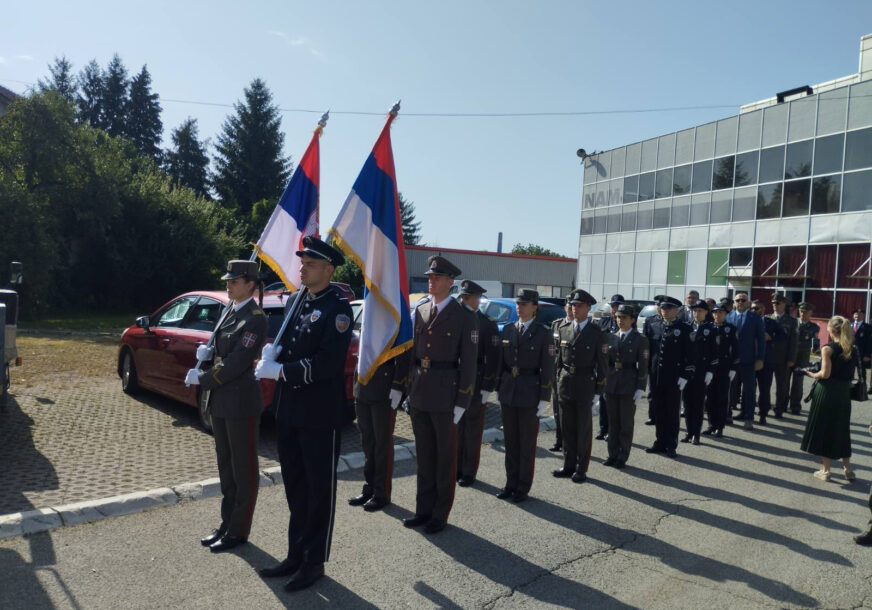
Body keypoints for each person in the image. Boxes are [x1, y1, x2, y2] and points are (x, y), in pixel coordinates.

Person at [254, 236, 353, 591]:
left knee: (318, 490)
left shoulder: (338, 309)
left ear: (328, 269)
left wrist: (281, 372)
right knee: (295, 486)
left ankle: (314, 561)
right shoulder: (296, 299)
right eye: (302, 262)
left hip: (319, 414)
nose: (302, 266)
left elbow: (327, 364)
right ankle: (295, 553)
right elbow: (287, 343)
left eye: (310, 263)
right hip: (289, 410)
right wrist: (271, 354)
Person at [185, 260, 267, 553]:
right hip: (221, 400)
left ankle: (238, 530)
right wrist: (206, 355)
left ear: (250, 284)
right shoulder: (229, 310)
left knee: (243, 470)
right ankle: (226, 522)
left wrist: (204, 378)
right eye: (228, 280)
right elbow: (223, 353)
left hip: (240, 401)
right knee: (226, 465)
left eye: (234, 281)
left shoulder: (255, 318)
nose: (228, 285)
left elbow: (237, 362)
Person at [393, 255, 477, 534]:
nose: (431, 280)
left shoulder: (464, 316)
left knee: (444, 459)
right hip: (420, 393)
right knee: (425, 456)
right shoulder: (421, 309)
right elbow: (412, 355)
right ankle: (423, 510)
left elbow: (469, 363)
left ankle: (440, 514)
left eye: (437, 277)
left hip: (446, 395)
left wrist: (462, 401)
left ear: (450, 282)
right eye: (429, 276)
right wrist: (403, 388)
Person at [494, 289, 553, 502]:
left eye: (525, 304)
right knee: (511, 442)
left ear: (535, 307)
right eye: (518, 303)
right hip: (509, 392)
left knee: (526, 443)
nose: (520, 307)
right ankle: (510, 483)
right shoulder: (509, 329)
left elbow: (547, 367)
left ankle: (522, 487)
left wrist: (545, 397)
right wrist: (498, 388)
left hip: (530, 392)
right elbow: (501, 363)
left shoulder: (543, 333)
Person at [553, 289, 607, 482]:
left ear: (588, 308)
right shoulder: (564, 328)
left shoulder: (596, 333)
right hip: (566, 383)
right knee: (566, 426)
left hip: (585, 384)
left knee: (582, 428)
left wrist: (598, 391)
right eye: (573, 305)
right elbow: (559, 359)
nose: (574, 309)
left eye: (579, 306)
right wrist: (558, 379)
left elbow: (602, 364)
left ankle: (581, 468)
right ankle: (568, 465)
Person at [799, 316, 857, 482]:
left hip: (827, 392)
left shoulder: (828, 348)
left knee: (826, 429)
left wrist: (810, 373)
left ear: (831, 330)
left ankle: (826, 470)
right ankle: (848, 469)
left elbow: (825, 374)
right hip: (843, 393)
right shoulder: (852, 348)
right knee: (842, 429)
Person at [456, 280, 499, 487]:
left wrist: (487, 386)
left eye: (469, 297)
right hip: (454, 381)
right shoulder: (453, 318)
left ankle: (468, 471)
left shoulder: (486, 323)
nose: (465, 300)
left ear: (477, 299)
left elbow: (494, 357)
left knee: (472, 431)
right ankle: (455, 467)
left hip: (476, 380)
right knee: (456, 428)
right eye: (464, 296)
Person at [348, 353, 400, 512]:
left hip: (384, 386)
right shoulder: (366, 325)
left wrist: (398, 386)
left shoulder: (394, 325)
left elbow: (405, 353)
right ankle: (370, 487)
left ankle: (381, 493)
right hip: (363, 385)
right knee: (367, 441)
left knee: (381, 443)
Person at [645, 296, 694, 458]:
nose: (665, 311)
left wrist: (686, 375)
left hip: (674, 377)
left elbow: (690, 355)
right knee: (658, 410)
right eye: (663, 308)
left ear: (676, 310)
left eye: (668, 309)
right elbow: (648, 352)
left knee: (672, 411)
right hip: (656, 376)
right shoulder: (653, 325)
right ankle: (660, 441)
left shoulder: (685, 329)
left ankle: (671, 444)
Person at [602, 304, 648, 467]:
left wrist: (641, 388)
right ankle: (612, 454)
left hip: (629, 383)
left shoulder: (640, 340)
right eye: (618, 317)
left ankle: (623, 455)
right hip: (612, 383)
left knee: (626, 423)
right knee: (613, 422)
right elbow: (606, 363)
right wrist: (603, 384)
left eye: (624, 318)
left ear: (632, 320)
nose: (621, 320)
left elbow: (643, 365)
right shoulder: (610, 337)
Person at [727, 292, 766, 430]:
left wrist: (760, 358)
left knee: (749, 390)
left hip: (748, 360)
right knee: (730, 388)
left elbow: (761, 340)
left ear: (748, 303)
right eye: (738, 300)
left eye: (743, 300)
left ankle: (749, 417)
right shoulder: (728, 316)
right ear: (734, 302)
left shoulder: (755, 318)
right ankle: (728, 413)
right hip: (731, 360)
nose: (740, 302)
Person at [682, 301, 717, 445]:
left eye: (700, 311)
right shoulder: (686, 327)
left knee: (698, 404)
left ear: (706, 312)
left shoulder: (711, 329)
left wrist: (711, 371)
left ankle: (696, 434)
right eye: (694, 310)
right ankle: (689, 432)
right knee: (687, 404)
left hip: (702, 371)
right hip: (687, 372)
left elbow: (715, 352)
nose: (696, 313)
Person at [704, 302, 739, 437]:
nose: (717, 315)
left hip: (724, 368)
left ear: (725, 314)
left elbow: (736, 350)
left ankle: (720, 427)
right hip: (709, 369)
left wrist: (734, 367)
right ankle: (711, 425)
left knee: (722, 398)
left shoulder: (731, 328)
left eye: (721, 312)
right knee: (710, 398)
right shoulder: (707, 327)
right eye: (715, 312)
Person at [596, 294, 623, 440]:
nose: (615, 309)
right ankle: (603, 428)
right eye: (613, 306)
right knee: (603, 400)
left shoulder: (625, 323)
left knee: (614, 403)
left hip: (618, 368)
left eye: (618, 306)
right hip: (605, 366)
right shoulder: (604, 322)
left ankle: (612, 430)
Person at [752, 299, 783, 425]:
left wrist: (771, 337)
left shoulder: (770, 322)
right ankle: (746, 412)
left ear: (763, 310)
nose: (754, 310)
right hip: (750, 359)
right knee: (748, 389)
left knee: (764, 389)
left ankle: (763, 414)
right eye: (752, 308)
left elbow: (783, 335)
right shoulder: (746, 321)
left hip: (766, 360)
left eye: (757, 308)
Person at [769, 294, 798, 418]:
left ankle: (779, 408)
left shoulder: (791, 321)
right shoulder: (767, 318)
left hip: (783, 358)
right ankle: (764, 407)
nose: (775, 305)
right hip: (768, 357)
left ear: (784, 304)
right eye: (773, 303)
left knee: (782, 386)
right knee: (765, 385)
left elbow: (793, 342)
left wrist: (791, 359)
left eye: (778, 303)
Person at [549, 302, 572, 452]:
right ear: (565, 308)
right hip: (555, 371)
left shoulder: (576, 328)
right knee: (556, 409)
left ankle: (567, 442)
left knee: (567, 412)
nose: (571, 310)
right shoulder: (556, 324)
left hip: (567, 373)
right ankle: (559, 440)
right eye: (569, 306)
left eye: (573, 306)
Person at [790, 303, 820, 415]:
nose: (803, 314)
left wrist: (815, 348)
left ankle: (795, 406)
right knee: (784, 381)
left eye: (806, 312)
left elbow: (815, 341)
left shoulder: (814, 327)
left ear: (811, 313)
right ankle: (782, 404)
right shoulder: (792, 322)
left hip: (803, 356)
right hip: (789, 355)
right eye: (801, 311)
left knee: (798, 383)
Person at [642, 297, 666, 426]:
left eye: (662, 305)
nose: (660, 308)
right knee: (653, 391)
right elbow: (645, 345)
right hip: (654, 363)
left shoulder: (675, 322)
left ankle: (664, 415)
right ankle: (652, 416)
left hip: (668, 365)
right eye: (658, 305)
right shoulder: (650, 321)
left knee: (666, 393)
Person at [850, 309, 872, 389]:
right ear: (853, 316)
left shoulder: (868, 327)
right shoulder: (849, 326)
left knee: (861, 372)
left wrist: (867, 355)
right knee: (849, 371)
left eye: (859, 314)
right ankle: (850, 388)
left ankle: (862, 389)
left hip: (862, 354)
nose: (857, 316)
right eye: (855, 314)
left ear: (863, 316)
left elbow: (869, 343)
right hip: (850, 353)